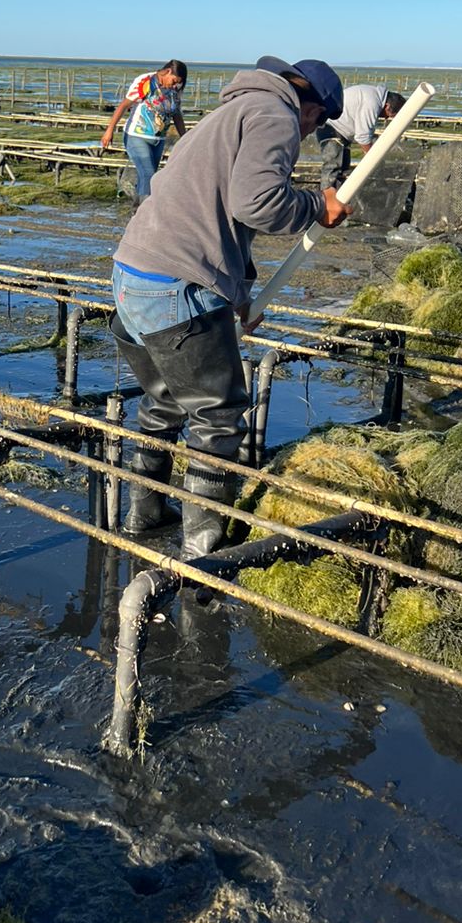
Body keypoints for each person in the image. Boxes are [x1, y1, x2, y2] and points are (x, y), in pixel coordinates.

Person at [111, 55, 350, 558]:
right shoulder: (276, 116)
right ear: (312, 107)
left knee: (166, 401)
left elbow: (219, 215)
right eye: (318, 122)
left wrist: (237, 297)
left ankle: (145, 513)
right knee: (219, 417)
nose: (310, 133)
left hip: (133, 272)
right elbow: (257, 204)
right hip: (176, 283)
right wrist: (317, 206)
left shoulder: (233, 111)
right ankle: (204, 551)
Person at [100, 59, 188, 201]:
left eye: (178, 82)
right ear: (168, 71)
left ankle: (137, 211)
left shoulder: (175, 90)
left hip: (158, 140)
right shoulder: (146, 81)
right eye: (173, 81)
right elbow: (123, 106)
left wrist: (184, 137)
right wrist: (109, 131)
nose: (174, 85)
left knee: (146, 176)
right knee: (149, 174)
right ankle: (147, 213)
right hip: (136, 136)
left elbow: (177, 114)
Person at [312, 82, 405, 189]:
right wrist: (372, 158)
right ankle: (327, 201)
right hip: (331, 128)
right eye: (389, 115)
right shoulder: (372, 102)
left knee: (342, 170)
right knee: (332, 168)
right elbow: (363, 137)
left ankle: (338, 199)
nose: (385, 118)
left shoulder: (374, 95)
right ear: (387, 106)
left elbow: (366, 133)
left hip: (339, 130)